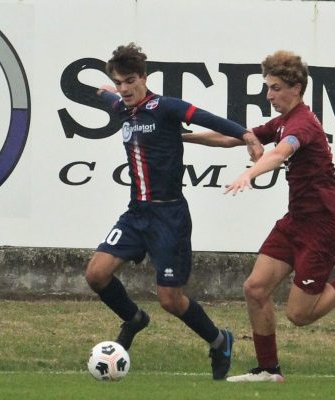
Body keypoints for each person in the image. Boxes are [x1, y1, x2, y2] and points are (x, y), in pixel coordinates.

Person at [182, 50, 335, 382]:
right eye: (268, 87)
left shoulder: (302, 123)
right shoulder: (284, 120)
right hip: (295, 223)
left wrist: (250, 174)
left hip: (321, 229)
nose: (269, 95)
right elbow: (234, 138)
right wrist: (181, 137)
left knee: (299, 315)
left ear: (296, 88)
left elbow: (281, 152)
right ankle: (269, 370)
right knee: (255, 288)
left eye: (275, 88)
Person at [84, 43, 264, 380]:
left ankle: (218, 340)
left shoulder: (165, 107)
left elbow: (207, 118)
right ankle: (134, 319)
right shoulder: (123, 107)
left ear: (144, 78)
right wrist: (104, 91)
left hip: (169, 217)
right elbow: (108, 95)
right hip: (136, 214)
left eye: (130, 81)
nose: (124, 89)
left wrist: (246, 135)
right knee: (96, 274)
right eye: (119, 82)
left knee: (170, 299)